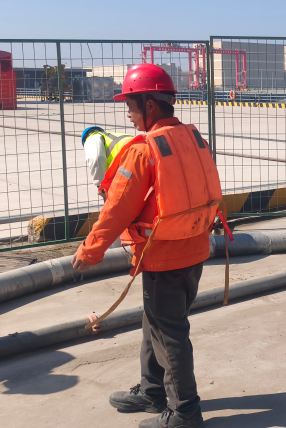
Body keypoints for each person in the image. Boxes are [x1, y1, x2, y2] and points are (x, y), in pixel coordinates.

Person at [72, 64, 222, 428]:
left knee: (169, 333)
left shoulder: (143, 151)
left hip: (163, 256)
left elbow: (117, 209)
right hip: (194, 249)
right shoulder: (192, 138)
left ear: (150, 104)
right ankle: (153, 390)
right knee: (154, 323)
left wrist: (90, 250)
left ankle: (185, 411)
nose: (128, 112)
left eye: (130, 104)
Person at [82, 126, 134, 194]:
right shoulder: (114, 136)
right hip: (141, 154)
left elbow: (96, 158)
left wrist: (101, 187)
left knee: (122, 194)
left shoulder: (92, 138)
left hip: (129, 162)